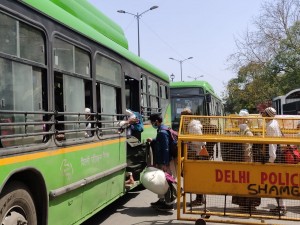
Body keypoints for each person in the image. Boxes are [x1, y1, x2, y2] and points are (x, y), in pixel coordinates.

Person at [232, 109, 261, 210]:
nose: (238, 121)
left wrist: (246, 163)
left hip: (246, 162)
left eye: (239, 119)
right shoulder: (242, 131)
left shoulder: (247, 132)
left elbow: (247, 150)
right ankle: (244, 204)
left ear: (243, 120)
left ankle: (249, 204)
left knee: (248, 183)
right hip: (243, 161)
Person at [262, 107, 287, 215]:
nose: (262, 115)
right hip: (278, 154)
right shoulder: (274, 123)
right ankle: (281, 206)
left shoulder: (271, 126)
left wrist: (271, 160)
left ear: (267, 115)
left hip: (275, 157)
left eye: (264, 113)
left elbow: (272, 145)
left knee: (276, 183)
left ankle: (281, 207)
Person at [147, 113, 174, 211]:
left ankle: (169, 204)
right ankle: (162, 200)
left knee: (166, 182)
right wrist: (153, 140)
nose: (152, 124)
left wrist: (164, 164)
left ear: (156, 121)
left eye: (152, 122)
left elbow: (165, 148)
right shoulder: (163, 129)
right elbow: (161, 142)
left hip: (165, 162)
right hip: (163, 161)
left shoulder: (162, 132)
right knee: (161, 182)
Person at [180, 108, 207, 207]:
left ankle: (199, 199)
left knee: (196, 177)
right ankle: (200, 198)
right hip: (194, 153)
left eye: (184, 116)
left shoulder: (193, 126)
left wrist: (190, 143)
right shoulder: (189, 125)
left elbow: (201, 141)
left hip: (197, 154)